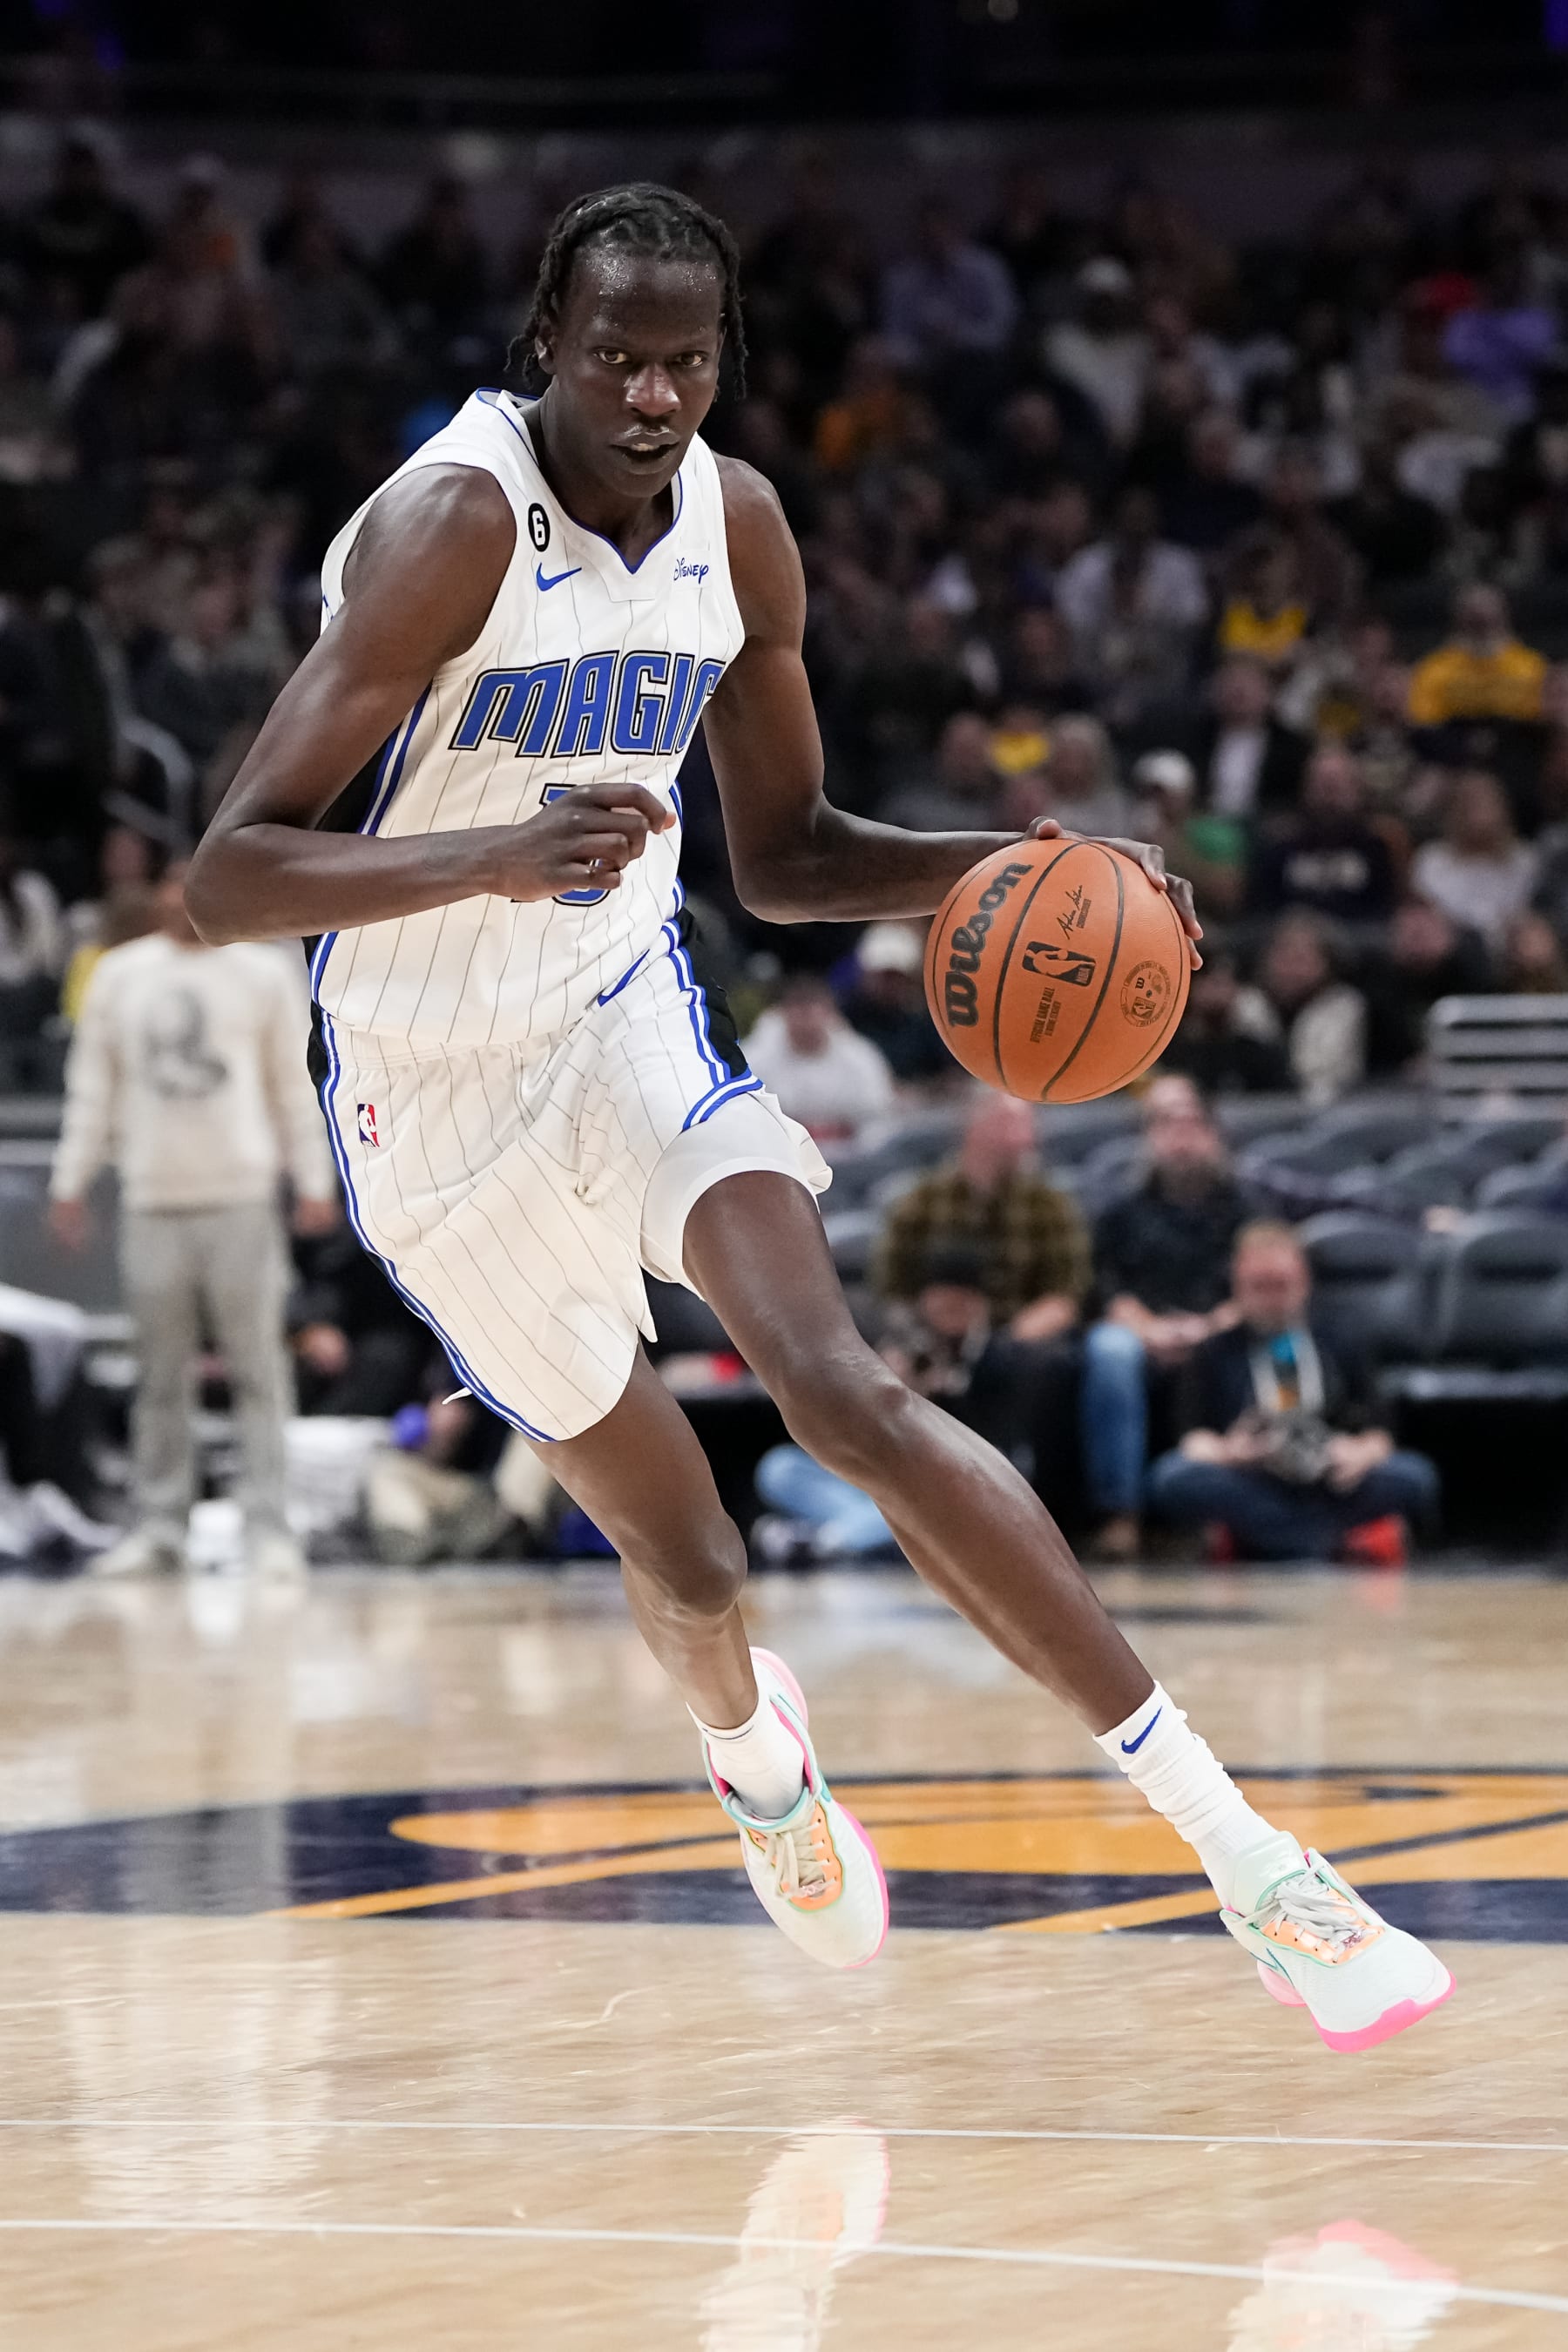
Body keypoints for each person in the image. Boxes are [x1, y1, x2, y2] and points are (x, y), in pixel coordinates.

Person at [186, 182, 1450, 2048]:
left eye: (683, 361)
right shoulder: (459, 527)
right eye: (612, 354)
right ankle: (752, 1758)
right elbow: (226, 877)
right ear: (548, 344)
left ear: (723, 367)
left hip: (627, 1020)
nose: (647, 393)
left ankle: (1253, 1861)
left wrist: (1028, 867)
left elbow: (780, 860)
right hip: (423, 1088)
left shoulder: (740, 531)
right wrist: (494, 853)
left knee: (843, 1386)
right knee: (691, 1562)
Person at [49, 864, 340, 1580]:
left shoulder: (264, 973)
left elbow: (292, 1086)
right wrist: (69, 1181)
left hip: (241, 1194)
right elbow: (93, 1086)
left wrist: (312, 1178)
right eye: (170, 888)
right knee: (159, 1375)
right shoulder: (119, 975)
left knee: (259, 1368)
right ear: (156, 899)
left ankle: (270, 1529)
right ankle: (158, 1528)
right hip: (153, 1196)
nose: (180, 900)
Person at [1147, 1222, 1440, 1566]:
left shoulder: (1342, 1339)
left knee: (1415, 1477)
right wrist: (1232, 1452)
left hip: (1331, 1480)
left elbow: (1380, 1432)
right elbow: (1193, 1437)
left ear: (1304, 1282)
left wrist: (1357, 1454)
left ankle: (1281, 1544)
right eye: (1260, 1287)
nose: (1272, 1299)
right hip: (1251, 1479)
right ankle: (1322, 1543)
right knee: (1173, 1478)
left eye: (1281, 1285)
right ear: (1238, 1287)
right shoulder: (1214, 1350)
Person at [1081, 1104, 1251, 1560]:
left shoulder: (1244, 1208)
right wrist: (1149, 1329)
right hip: (1139, 1331)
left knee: (1252, 1345)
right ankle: (1120, 1514)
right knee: (1110, 1352)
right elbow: (1104, 1289)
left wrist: (1209, 1327)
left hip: (1219, 1327)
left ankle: (1220, 1512)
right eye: (1168, 1127)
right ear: (1150, 1140)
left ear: (1215, 1138)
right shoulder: (1119, 1211)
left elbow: (1256, 1287)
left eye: (1193, 1126)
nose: (1181, 1138)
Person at [1247, 745, 1398, 929]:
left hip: (1358, 945)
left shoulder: (1376, 847)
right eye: (1321, 786)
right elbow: (1264, 910)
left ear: (1357, 791)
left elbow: (1385, 913)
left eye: (1336, 787)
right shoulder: (1281, 846)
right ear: (1305, 789)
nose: (1329, 798)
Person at [741, 975, 896, 1145]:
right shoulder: (754, 1059)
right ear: (782, 1013)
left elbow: (879, 1113)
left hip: (852, 1155)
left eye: (812, 1010)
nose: (806, 1019)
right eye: (798, 1010)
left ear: (830, 1013)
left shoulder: (860, 1056)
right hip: (780, 1156)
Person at [1409, 769, 1539, 952]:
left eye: (1487, 806)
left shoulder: (1523, 859)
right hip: (1451, 952)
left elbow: (1523, 913)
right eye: (1472, 806)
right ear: (1456, 812)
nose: (1480, 816)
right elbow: (1430, 913)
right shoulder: (1432, 859)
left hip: (1510, 949)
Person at [1407, 584, 1545, 729]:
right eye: (1473, 615)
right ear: (1458, 618)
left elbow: (1542, 717)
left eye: (1488, 615)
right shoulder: (1432, 670)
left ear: (1504, 615)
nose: (1481, 617)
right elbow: (1424, 719)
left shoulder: (1532, 667)